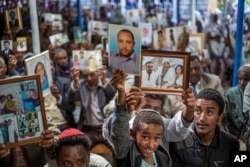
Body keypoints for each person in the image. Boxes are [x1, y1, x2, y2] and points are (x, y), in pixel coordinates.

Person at [107, 69, 195, 167]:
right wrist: (121, 93)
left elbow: (179, 126)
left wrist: (190, 108)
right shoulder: (127, 147)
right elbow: (119, 132)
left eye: (157, 138)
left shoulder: (162, 156)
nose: (151, 144)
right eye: (145, 137)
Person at [169, 88, 239, 167]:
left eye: (209, 112)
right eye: (198, 111)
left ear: (220, 117)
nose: (202, 118)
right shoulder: (178, 141)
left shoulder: (232, 143)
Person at [69, 65, 116, 148]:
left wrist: (104, 80)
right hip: (88, 129)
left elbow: (112, 96)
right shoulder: (81, 84)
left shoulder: (106, 82)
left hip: (106, 128)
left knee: (117, 149)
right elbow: (71, 98)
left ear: (98, 73)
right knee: (81, 149)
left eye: (92, 75)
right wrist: (75, 81)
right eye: (86, 76)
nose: (89, 78)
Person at [225, 65, 250, 149]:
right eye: (240, 79)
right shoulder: (230, 94)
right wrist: (243, 139)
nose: (242, 82)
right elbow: (227, 122)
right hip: (239, 137)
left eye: (246, 79)